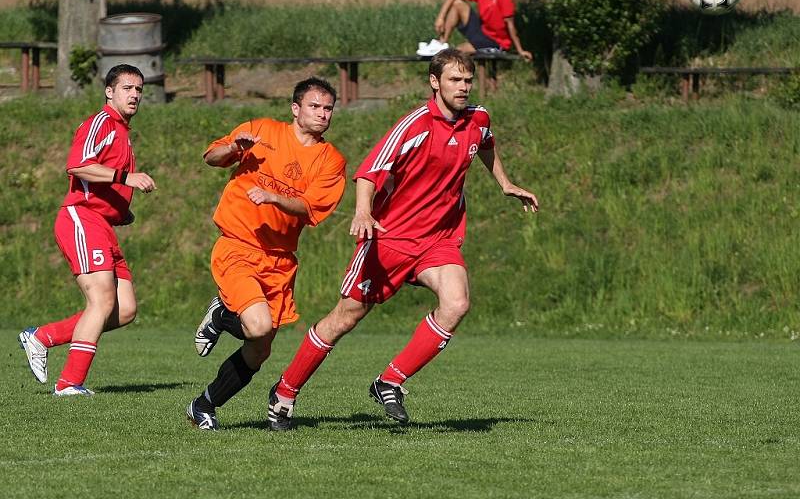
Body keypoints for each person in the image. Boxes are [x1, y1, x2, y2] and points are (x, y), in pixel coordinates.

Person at [266, 49, 538, 431]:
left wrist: (506, 184)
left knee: (457, 303)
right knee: (345, 318)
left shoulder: (479, 118)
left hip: (438, 239)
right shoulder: (415, 125)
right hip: (391, 238)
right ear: (434, 82)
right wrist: (363, 213)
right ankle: (284, 393)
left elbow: (486, 144)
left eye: (467, 80)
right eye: (454, 80)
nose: (462, 88)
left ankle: (390, 380)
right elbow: (369, 171)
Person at [186, 77, 346, 431]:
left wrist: (275, 197)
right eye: (314, 107)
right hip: (239, 245)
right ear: (295, 109)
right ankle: (222, 315)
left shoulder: (330, 160)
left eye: (328, 108)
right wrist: (233, 149)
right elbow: (211, 156)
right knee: (258, 325)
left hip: (280, 260)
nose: (322, 114)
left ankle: (203, 405)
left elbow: (309, 207)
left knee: (260, 349)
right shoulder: (261, 131)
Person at [18, 64, 157, 396]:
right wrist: (126, 179)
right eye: (127, 88)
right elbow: (78, 165)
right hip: (81, 218)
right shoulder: (103, 123)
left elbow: (102, 179)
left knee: (124, 309)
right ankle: (69, 384)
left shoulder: (122, 132)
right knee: (101, 299)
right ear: (109, 91)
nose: (135, 94)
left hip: (102, 224)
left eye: (139, 89)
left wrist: (122, 210)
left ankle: (43, 337)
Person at [418, 0, 533, 61]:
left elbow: (510, 25)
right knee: (458, 3)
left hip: (496, 41)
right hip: (483, 31)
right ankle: (441, 43)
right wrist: (440, 18)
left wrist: (520, 50)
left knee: (457, 52)